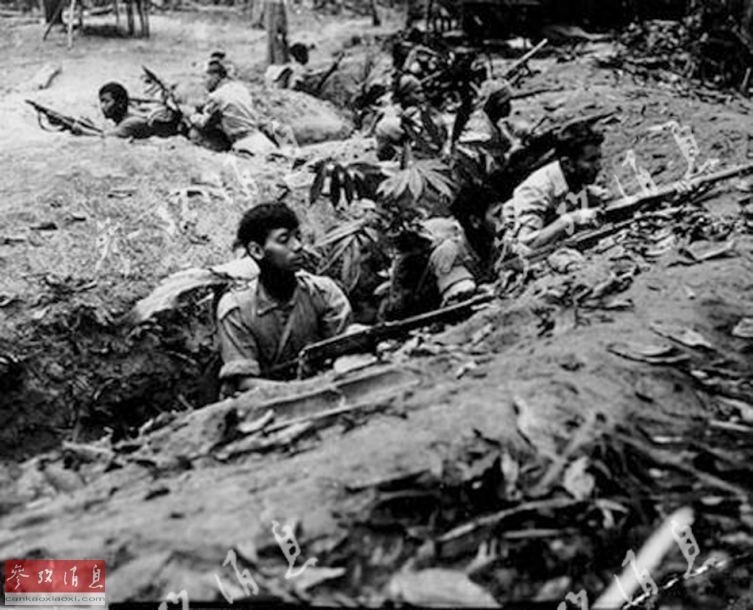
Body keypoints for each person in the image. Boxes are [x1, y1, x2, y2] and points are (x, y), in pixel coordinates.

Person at [217, 203, 353, 394]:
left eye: (297, 237)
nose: (298, 246)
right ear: (257, 251)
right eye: (284, 240)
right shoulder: (237, 309)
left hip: (327, 388)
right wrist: (301, 389)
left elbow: (347, 352)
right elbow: (243, 382)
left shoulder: (323, 292)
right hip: (267, 401)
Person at [381, 184, 502, 319]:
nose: (505, 219)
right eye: (497, 215)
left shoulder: (493, 244)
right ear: (475, 221)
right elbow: (462, 296)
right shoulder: (448, 253)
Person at [502, 122, 607, 251]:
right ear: (567, 163)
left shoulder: (573, 175)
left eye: (599, 158)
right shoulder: (536, 189)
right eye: (591, 160)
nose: (599, 166)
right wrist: (571, 219)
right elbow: (526, 245)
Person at [189, 59, 278, 156]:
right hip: (262, 140)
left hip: (245, 146)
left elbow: (205, 124)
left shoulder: (217, 96)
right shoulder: (241, 88)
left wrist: (192, 115)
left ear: (216, 77)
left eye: (204, 77)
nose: (203, 82)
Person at [374, 74, 446, 161]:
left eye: (422, 92)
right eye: (417, 92)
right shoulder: (391, 113)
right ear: (405, 96)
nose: (422, 95)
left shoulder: (426, 111)